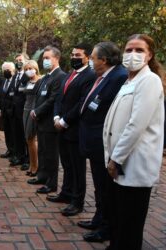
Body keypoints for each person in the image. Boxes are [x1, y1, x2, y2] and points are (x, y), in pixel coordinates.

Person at [103, 34, 165, 250]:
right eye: (129, 50)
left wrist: (115, 159)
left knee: (130, 223)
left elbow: (136, 124)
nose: (133, 55)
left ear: (149, 55)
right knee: (119, 218)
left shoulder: (150, 80)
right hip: (121, 162)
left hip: (134, 162)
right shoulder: (130, 80)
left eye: (139, 50)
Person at [78, 42, 128, 243]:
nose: (90, 61)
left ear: (104, 60)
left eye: (92, 57)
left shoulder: (119, 77)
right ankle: (99, 218)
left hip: (103, 142)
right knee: (99, 185)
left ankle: (106, 227)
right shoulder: (103, 77)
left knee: (106, 188)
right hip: (93, 140)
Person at [47, 44, 96, 216]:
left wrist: (65, 121)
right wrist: (56, 117)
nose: (74, 57)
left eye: (78, 55)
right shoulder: (70, 74)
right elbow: (60, 98)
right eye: (73, 54)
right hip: (61, 126)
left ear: (87, 57)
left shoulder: (90, 76)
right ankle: (66, 193)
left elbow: (82, 102)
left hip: (74, 128)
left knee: (77, 168)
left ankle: (77, 201)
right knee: (67, 164)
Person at [28, 46, 66, 194]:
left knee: (51, 154)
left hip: (50, 122)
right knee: (43, 151)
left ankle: (52, 183)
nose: (44, 61)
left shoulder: (60, 76)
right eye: (44, 58)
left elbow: (53, 99)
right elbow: (40, 96)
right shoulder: (47, 76)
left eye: (47, 58)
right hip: (41, 121)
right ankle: (42, 176)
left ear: (56, 59)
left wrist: (37, 111)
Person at [9, 54, 29, 168]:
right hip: (15, 111)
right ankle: (19, 156)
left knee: (26, 136)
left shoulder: (28, 75)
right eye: (16, 61)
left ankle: (27, 159)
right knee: (17, 135)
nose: (18, 62)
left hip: (24, 110)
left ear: (26, 61)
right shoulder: (15, 75)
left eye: (20, 60)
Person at [21, 60, 40, 177]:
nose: (28, 71)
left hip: (34, 111)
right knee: (28, 139)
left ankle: (36, 166)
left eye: (30, 68)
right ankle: (31, 164)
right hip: (25, 110)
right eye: (26, 69)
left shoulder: (41, 80)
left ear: (36, 68)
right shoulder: (28, 81)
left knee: (32, 138)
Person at [0, 62, 16, 160]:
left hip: (13, 111)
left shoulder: (15, 81)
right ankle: (9, 149)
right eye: (4, 70)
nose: (6, 71)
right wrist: (0, 109)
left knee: (14, 132)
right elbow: (1, 96)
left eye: (8, 69)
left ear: (13, 70)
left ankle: (15, 152)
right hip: (4, 111)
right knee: (7, 132)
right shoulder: (3, 81)